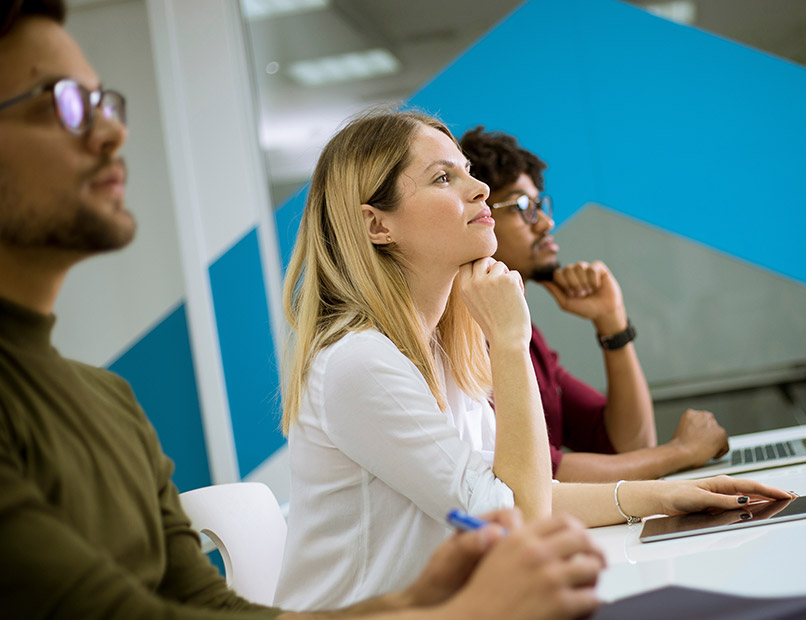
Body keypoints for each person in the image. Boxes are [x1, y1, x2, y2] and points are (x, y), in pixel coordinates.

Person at [0, 2, 608, 619]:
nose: (111, 132)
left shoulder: (112, 404)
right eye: (62, 103)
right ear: (376, 224)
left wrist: (412, 603)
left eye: (103, 105)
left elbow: (212, 610)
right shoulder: (359, 361)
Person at [275, 109, 793, 609]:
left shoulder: (442, 348)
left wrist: (671, 496)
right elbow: (518, 519)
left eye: (469, 173)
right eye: (442, 178)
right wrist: (508, 337)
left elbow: (524, 496)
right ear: (376, 225)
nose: (478, 190)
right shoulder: (361, 362)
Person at [460, 126, 730, 482]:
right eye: (522, 206)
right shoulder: (466, 340)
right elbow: (543, 476)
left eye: (540, 204)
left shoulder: (526, 338)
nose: (546, 222)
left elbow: (628, 447)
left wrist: (612, 323)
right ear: (480, 215)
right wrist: (682, 452)